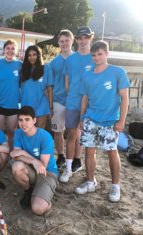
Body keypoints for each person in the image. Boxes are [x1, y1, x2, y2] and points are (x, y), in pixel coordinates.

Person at [75, 40, 129, 202]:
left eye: (100, 54)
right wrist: (82, 117)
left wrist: (121, 121)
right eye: (94, 55)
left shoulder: (118, 72)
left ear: (107, 54)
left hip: (110, 121)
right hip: (91, 118)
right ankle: (91, 182)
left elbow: (125, 98)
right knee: (89, 150)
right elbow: (84, 97)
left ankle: (115, 186)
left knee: (112, 151)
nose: (97, 57)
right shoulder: (87, 75)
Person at [59, 26, 95, 183]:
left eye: (85, 37)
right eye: (80, 38)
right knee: (72, 135)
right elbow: (67, 83)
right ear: (77, 40)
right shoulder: (71, 59)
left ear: (90, 38)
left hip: (92, 104)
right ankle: (68, 169)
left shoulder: (95, 57)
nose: (82, 41)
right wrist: (74, 96)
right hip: (73, 102)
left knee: (88, 139)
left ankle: (88, 173)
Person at [10, 106, 58, 215]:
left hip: (47, 173)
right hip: (31, 169)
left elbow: (42, 166)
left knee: (37, 209)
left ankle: (45, 198)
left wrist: (23, 154)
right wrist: (33, 161)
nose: (23, 123)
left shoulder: (45, 136)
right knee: (16, 166)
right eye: (20, 120)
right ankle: (28, 191)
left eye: (27, 119)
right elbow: (15, 155)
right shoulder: (18, 133)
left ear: (34, 120)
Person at [48, 29, 74, 169]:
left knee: (72, 133)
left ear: (72, 40)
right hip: (58, 100)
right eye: (61, 41)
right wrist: (50, 105)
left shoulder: (77, 58)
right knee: (58, 131)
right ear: (58, 42)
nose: (64, 43)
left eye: (67, 40)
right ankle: (61, 156)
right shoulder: (53, 63)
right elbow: (50, 86)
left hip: (74, 101)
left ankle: (73, 159)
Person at [0, 39, 22, 149]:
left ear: (16, 51)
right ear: (3, 50)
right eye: (8, 48)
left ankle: (10, 154)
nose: (10, 51)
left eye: (13, 48)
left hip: (13, 104)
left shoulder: (20, 65)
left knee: (11, 132)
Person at [20, 45, 53, 129]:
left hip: (42, 107)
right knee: (27, 133)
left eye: (34, 54)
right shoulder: (22, 69)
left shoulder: (46, 68)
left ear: (38, 55)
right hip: (26, 107)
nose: (32, 57)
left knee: (39, 133)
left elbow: (49, 89)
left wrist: (51, 107)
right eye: (29, 55)